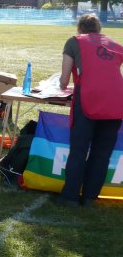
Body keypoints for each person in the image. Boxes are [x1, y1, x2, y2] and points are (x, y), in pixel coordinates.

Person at [56, 13, 123, 207]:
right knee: (102, 153)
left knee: (79, 149)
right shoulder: (113, 44)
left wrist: (61, 86)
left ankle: (69, 197)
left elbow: (64, 79)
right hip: (116, 102)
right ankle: (89, 197)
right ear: (98, 29)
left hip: (89, 99)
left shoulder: (74, 41)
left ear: (80, 28)